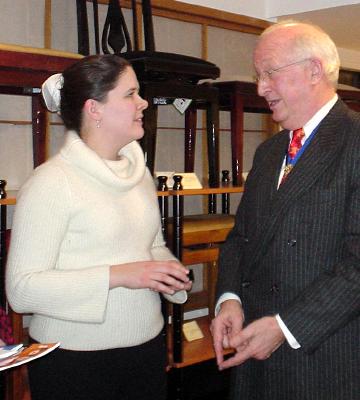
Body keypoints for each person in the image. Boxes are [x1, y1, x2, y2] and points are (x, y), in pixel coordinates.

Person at [6, 54, 191, 400]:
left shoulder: (138, 173)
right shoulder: (51, 183)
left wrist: (169, 273)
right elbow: (21, 290)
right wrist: (121, 274)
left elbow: (149, 245)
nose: (143, 102)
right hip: (73, 361)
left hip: (146, 347)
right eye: (130, 94)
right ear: (95, 109)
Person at [211, 21, 360, 400]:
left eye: (269, 73)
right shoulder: (270, 151)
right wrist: (229, 297)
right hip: (255, 350)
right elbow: (241, 237)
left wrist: (286, 327)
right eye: (259, 76)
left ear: (314, 70)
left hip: (324, 356)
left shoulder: (354, 141)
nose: (261, 88)